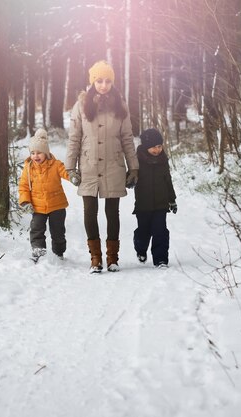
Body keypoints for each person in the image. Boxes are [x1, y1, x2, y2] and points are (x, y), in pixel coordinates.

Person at [65, 60, 139, 273]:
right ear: (93, 81)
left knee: (112, 212)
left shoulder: (120, 105)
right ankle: (95, 258)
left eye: (107, 81)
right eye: (99, 81)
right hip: (88, 164)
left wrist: (133, 167)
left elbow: (127, 138)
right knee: (90, 211)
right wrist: (70, 168)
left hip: (113, 164)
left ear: (112, 83)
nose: (103, 85)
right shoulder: (81, 105)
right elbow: (74, 138)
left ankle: (112, 258)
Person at [19, 128, 72, 261]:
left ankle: (59, 253)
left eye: (39, 153)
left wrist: (74, 176)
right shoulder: (29, 168)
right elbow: (24, 186)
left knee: (58, 231)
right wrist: (25, 201)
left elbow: (66, 172)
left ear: (46, 153)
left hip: (57, 206)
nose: (35, 156)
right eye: (32, 153)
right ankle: (38, 250)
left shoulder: (56, 165)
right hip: (37, 206)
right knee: (36, 229)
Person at [132, 128, 177, 268]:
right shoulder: (137, 161)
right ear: (146, 147)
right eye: (153, 147)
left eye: (159, 146)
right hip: (143, 205)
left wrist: (172, 199)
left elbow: (168, 181)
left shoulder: (163, 160)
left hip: (161, 204)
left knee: (160, 231)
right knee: (143, 232)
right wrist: (129, 180)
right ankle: (140, 248)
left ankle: (161, 259)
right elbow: (130, 175)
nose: (157, 150)